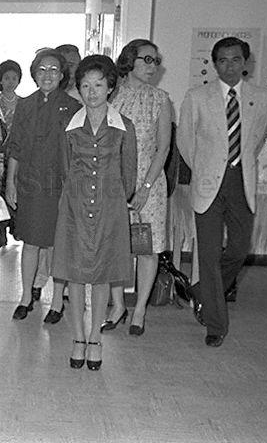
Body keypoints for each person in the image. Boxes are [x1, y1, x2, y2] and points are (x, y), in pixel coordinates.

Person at [177, 36, 267, 347]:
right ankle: (215, 323)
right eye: (222, 60)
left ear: (245, 63)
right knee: (208, 254)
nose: (229, 66)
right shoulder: (197, 96)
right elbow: (186, 143)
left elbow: (255, 141)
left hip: (241, 182)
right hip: (207, 184)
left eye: (235, 60)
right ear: (214, 64)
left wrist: (235, 165)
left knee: (238, 250)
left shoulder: (260, 97)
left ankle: (202, 292)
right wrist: (206, 167)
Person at [52, 55, 137, 370]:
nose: (91, 92)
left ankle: (95, 339)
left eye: (98, 85)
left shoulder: (123, 126)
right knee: (75, 276)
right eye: (85, 85)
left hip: (109, 208)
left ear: (110, 87)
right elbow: (64, 168)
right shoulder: (70, 125)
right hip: (74, 208)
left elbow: (129, 173)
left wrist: (113, 199)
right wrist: (75, 197)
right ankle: (77, 338)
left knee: (101, 277)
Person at [102, 39, 172, 336]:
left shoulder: (161, 99)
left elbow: (163, 147)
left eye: (156, 61)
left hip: (150, 183)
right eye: (147, 59)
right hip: (115, 182)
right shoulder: (112, 97)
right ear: (130, 60)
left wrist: (144, 187)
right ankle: (118, 305)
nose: (152, 66)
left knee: (147, 248)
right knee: (115, 248)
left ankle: (140, 309)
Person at [5, 49, 80, 323]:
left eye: (53, 70)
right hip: (30, 184)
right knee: (31, 243)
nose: (47, 74)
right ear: (35, 74)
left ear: (62, 76)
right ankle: (26, 297)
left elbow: (76, 152)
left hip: (60, 184)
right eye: (42, 69)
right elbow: (16, 146)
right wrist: (11, 182)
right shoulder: (24, 105)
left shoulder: (73, 107)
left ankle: (57, 301)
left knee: (58, 245)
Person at [0, 59, 22, 131]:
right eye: (7, 78)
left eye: (14, 78)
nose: (11, 82)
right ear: (0, 80)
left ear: (18, 81)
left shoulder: (23, 102)